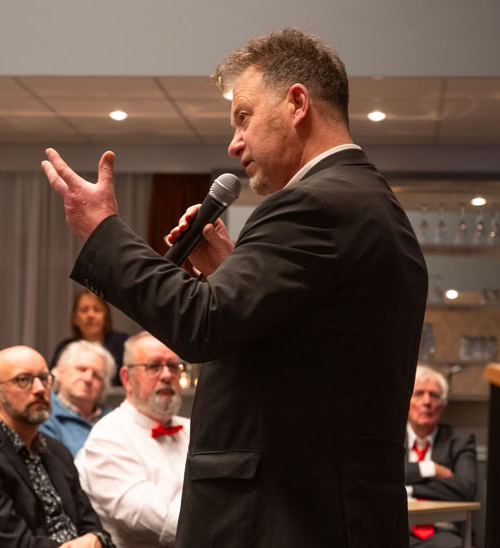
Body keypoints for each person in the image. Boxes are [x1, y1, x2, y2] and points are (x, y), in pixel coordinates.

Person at [42, 27, 428, 547]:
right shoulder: (366, 200)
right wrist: (230, 269)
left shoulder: (317, 203)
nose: (234, 142)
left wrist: (103, 232)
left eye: (244, 117)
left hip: (288, 518)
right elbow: (306, 351)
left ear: (296, 104)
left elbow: (201, 324)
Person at [0, 345, 114, 548]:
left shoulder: (56, 450)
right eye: (23, 380)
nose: (40, 389)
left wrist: (97, 539)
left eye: (44, 378)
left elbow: (91, 524)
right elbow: (14, 544)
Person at [75, 332, 190, 548]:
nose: (167, 375)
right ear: (127, 378)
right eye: (153, 366)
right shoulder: (108, 437)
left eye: (173, 366)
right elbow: (161, 522)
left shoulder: (193, 430)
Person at [406, 365, 477, 547]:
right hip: (400, 530)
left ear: (443, 405)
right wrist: (430, 469)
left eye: (434, 395)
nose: (427, 402)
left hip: (444, 534)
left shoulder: (460, 441)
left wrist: (409, 489)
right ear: (407, 401)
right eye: (419, 393)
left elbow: (466, 489)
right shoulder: (393, 441)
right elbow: (384, 477)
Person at [39, 340, 116, 456]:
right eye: (81, 369)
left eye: (97, 375)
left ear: (104, 386)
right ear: (60, 373)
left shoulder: (115, 419)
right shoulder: (43, 415)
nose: (88, 378)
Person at [50, 290, 128, 385]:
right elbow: (52, 382)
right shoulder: (65, 347)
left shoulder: (121, 343)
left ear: (106, 317)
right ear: (75, 318)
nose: (90, 315)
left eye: (97, 310)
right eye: (84, 310)